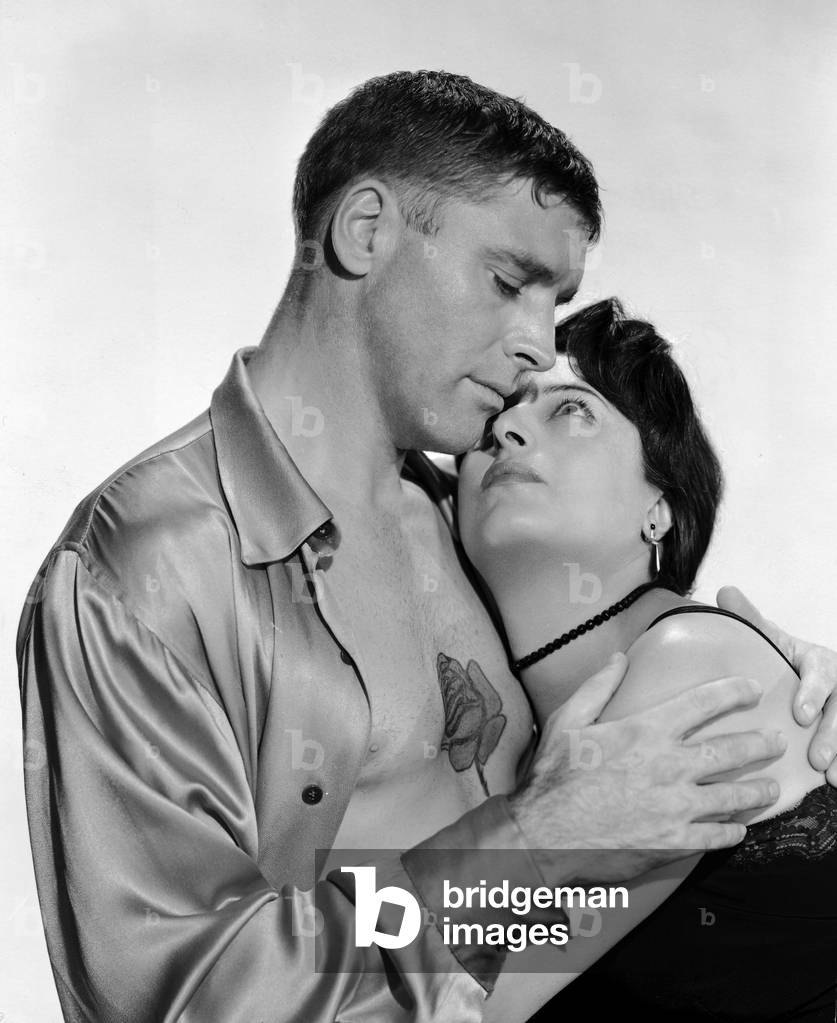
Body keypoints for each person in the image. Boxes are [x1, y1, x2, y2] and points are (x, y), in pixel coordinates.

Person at [16, 71, 837, 1023]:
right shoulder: (147, 568)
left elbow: (631, 652)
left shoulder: (461, 518)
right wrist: (534, 837)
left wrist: (794, 673)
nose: (535, 343)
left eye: (553, 300)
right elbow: (184, 993)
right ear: (366, 232)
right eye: (506, 283)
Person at [457, 297, 837, 1020]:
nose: (505, 427)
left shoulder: (689, 662)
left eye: (569, 410)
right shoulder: (532, 725)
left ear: (659, 507)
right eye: (492, 415)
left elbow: (472, 992)